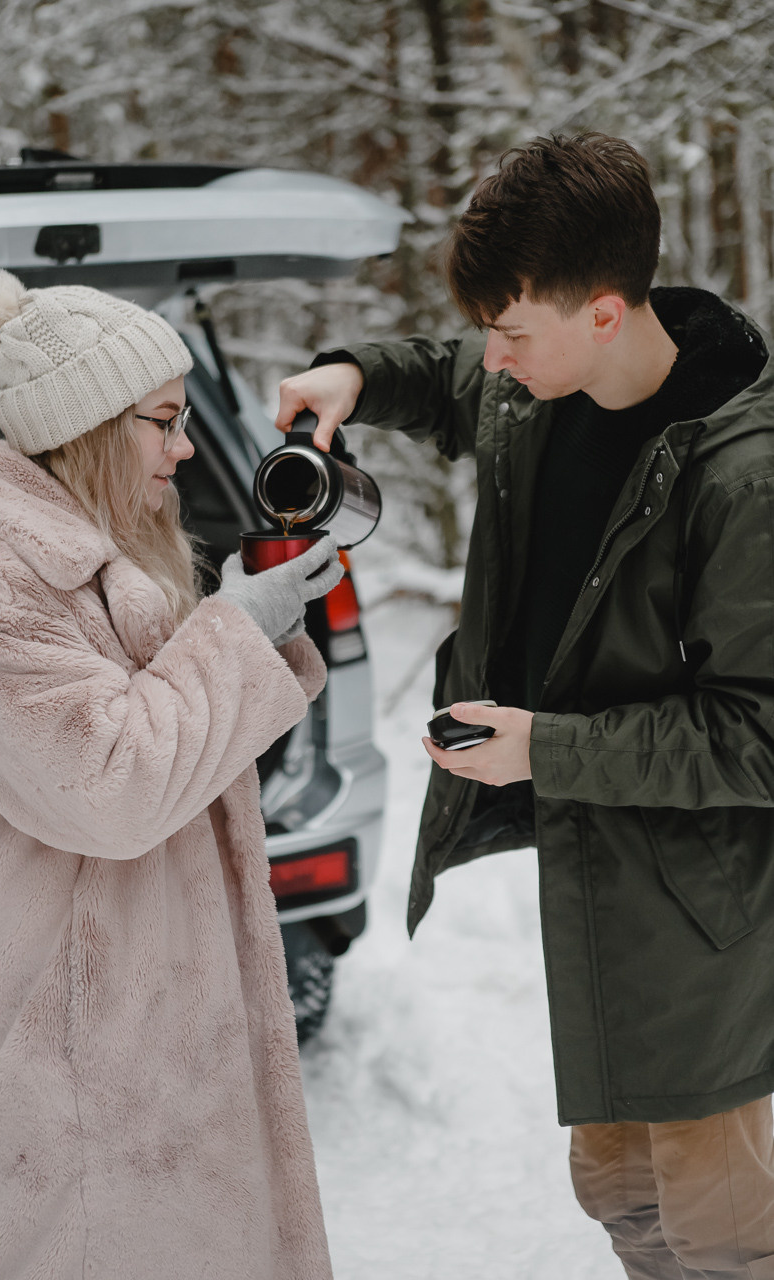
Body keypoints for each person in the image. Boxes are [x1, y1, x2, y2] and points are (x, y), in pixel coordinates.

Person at [276, 132, 774, 1278]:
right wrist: (353, 372)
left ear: (603, 312)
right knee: (615, 1186)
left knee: (723, 1234)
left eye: (511, 333)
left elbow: (756, 736)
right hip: (595, 879)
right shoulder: (540, 387)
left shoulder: (741, 477)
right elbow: (449, 371)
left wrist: (547, 749)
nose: (490, 358)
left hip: (704, 914)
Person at [0, 269, 343, 1279]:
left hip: (127, 1057)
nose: (187, 447)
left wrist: (248, 621)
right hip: (56, 1091)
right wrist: (236, 629)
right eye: (164, 420)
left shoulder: (91, 563)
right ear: (91, 425)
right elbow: (110, 781)